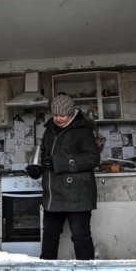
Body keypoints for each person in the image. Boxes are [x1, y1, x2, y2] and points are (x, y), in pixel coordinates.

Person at [37, 94, 100, 260]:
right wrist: (37, 168)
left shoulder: (83, 130)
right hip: (53, 194)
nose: (58, 119)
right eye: (55, 115)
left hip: (77, 194)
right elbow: (45, 157)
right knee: (49, 236)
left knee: (80, 237)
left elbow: (93, 158)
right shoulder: (49, 130)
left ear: (71, 113)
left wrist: (61, 162)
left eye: (62, 115)